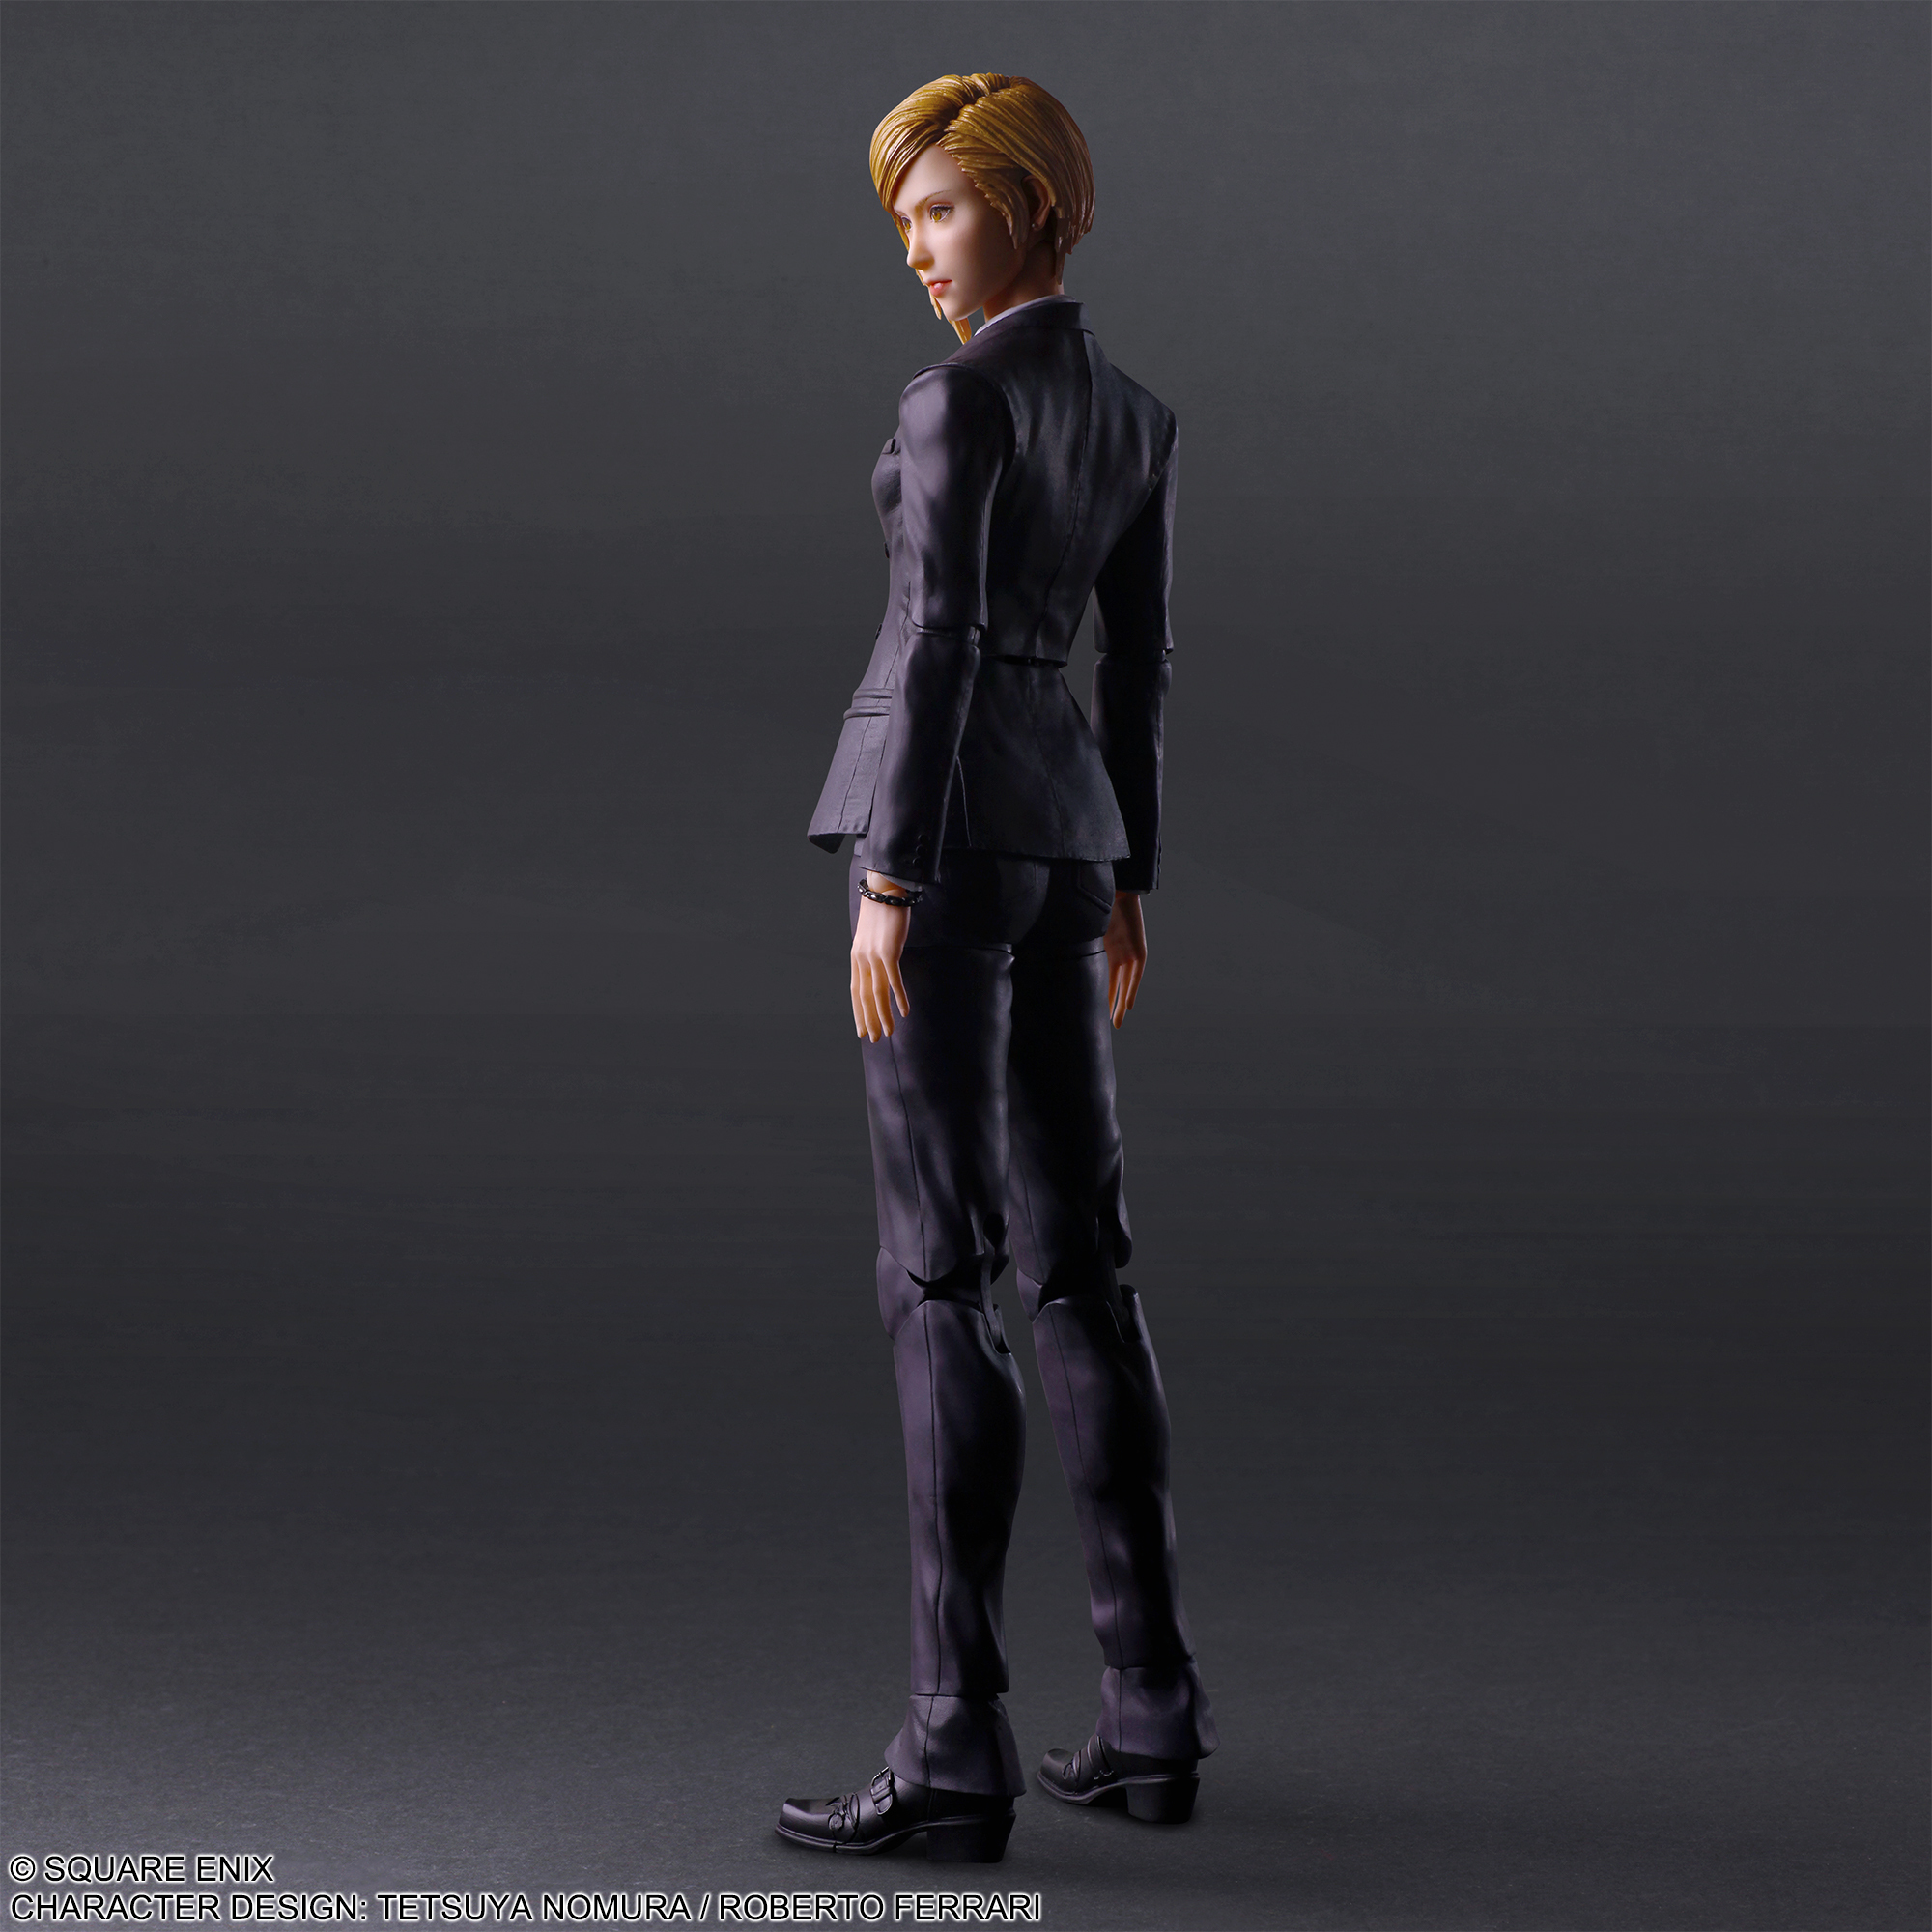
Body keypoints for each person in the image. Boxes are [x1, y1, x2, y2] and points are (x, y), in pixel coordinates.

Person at [776, 72, 1218, 1865]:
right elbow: (1139, 668)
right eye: (905, 220)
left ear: (1034, 204)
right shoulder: (1133, 413)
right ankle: (1153, 1708)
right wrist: (1130, 877)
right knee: (1085, 1271)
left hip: (947, 835)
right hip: (1067, 840)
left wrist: (890, 871)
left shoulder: (956, 398)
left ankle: (956, 1737)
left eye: (943, 208)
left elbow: (948, 632)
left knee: (939, 1270)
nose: (918, 250)